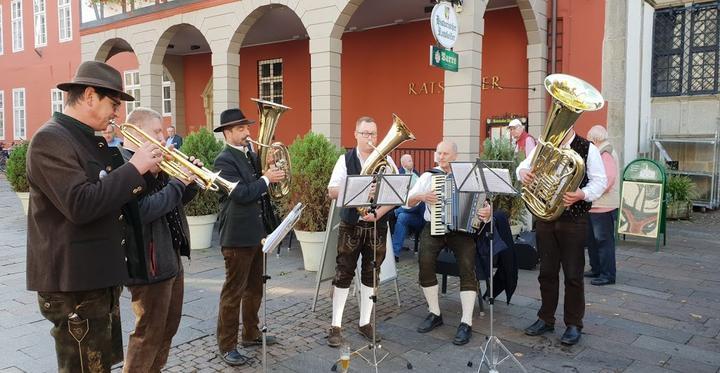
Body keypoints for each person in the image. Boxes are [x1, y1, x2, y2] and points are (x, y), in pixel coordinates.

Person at [26, 61, 162, 373]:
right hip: (73, 283)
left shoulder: (87, 137)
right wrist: (133, 168)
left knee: (100, 366)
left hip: (96, 277)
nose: (117, 112)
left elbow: (113, 198)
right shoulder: (51, 139)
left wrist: (151, 175)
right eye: (113, 103)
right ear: (89, 95)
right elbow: (80, 204)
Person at [119, 108, 199, 372]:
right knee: (148, 334)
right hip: (148, 263)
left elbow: (173, 204)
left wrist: (189, 183)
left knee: (168, 328)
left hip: (170, 256)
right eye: (156, 132)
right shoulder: (125, 165)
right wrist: (176, 183)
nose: (164, 138)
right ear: (137, 132)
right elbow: (142, 211)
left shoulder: (155, 163)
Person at [517, 127, 607, 346]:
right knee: (546, 272)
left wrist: (581, 194)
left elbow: (600, 181)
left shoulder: (588, 148)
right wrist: (523, 173)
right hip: (546, 217)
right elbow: (523, 166)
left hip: (574, 219)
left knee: (573, 274)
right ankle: (545, 318)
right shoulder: (545, 145)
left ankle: (574, 324)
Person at [213, 108, 285, 366]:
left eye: (247, 128)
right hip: (236, 235)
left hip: (257, 232)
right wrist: (266, 178)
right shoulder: (223, 160)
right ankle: (227, 345)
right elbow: (242, 194)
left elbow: (261, 186)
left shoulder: (248, 155)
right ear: (228, 133)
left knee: (255, 288)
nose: (248, 133)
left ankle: (251, 333)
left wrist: (270, 169)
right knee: (233, 292)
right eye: (241, 129)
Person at [326, 116, 395, 347]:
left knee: (371, 273)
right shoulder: (345, 160)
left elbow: (397, 195)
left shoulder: (388, 160)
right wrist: (362, 188)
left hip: (377, 224)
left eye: (373, 134)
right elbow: (332, 191)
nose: (370, 138)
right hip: (351, 225)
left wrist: (379, 212)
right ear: (355, 134)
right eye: (365, 133)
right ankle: (335, 325)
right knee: (343, 272)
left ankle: (365, 322)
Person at [405, 141, 479, 346]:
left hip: (460, 229)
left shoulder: (466, 175)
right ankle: (435, 313)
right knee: (425, 261)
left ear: (455, 156)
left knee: (467, 264)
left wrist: (486, 212)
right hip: (434, 226)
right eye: (439, 152)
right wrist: (422, 196)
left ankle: (466, 322)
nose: (441, 156)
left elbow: (482, 204)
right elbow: (408, 200)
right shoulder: (429, 176)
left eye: (446, 153)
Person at [585, 125, 620, 286]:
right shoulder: (603, 152)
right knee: (593, 240)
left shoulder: (605, 154)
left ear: (595, 139)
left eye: (590, 140)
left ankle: (607, 274)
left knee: (603, 241)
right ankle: (597, 269)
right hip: (597, 205)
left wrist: (591, 192)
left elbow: (607, 180)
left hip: (603, 206)